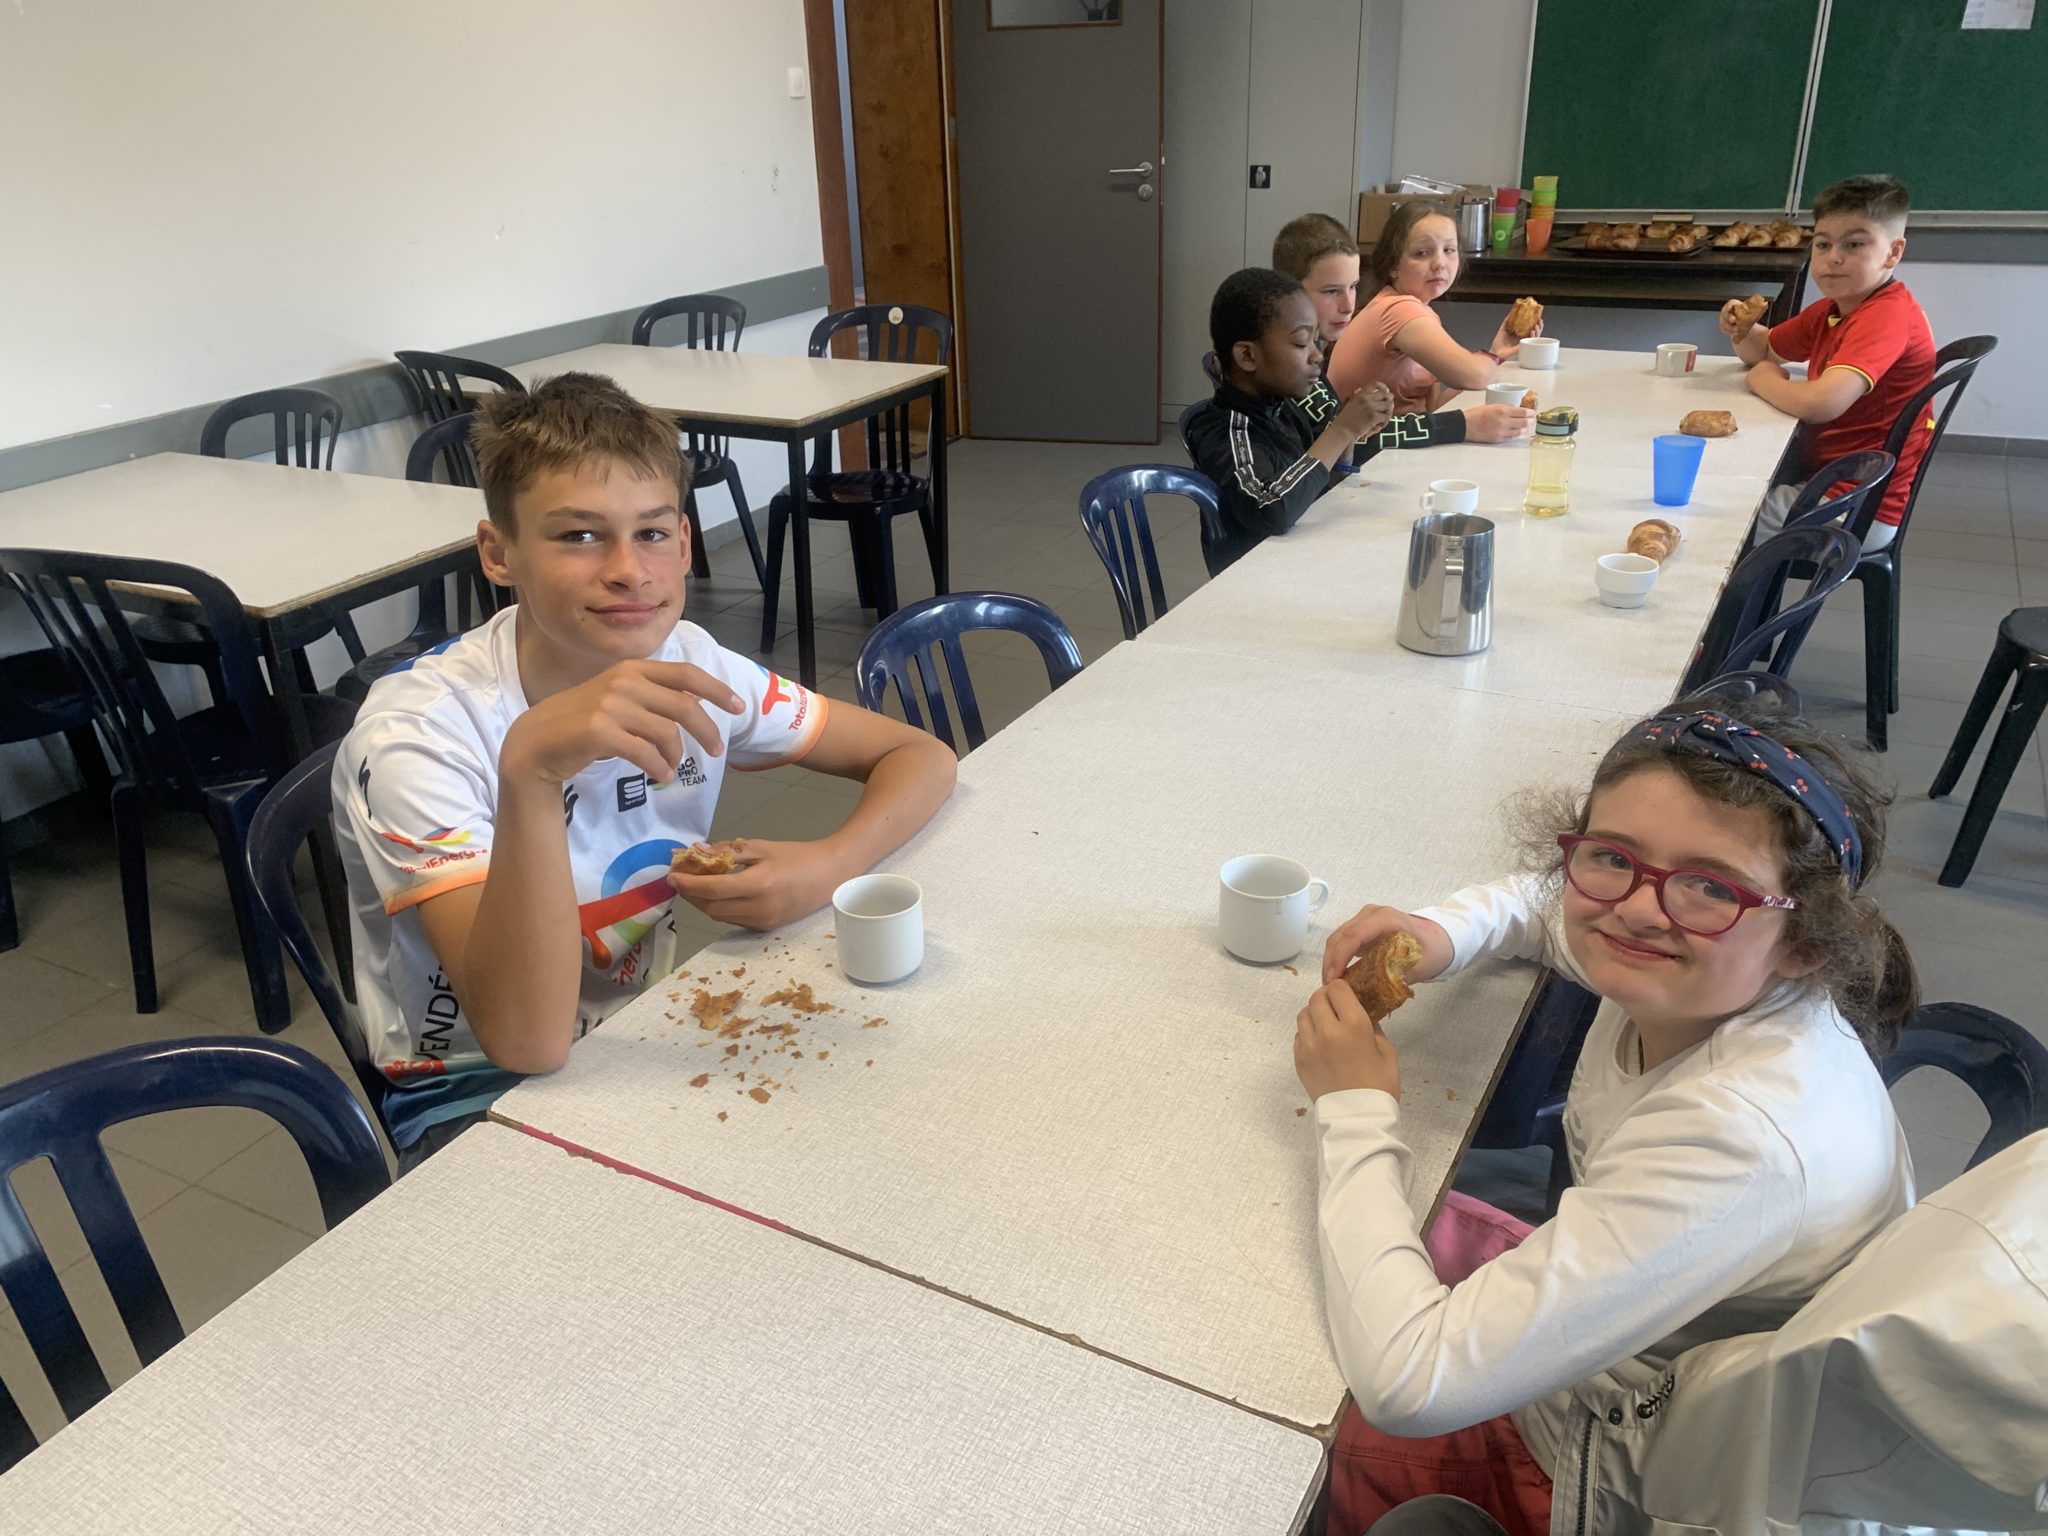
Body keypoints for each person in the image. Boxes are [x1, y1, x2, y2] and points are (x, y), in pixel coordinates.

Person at [1297, 700, 1916, 1535]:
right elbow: (1548, 908)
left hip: (1606, 1465)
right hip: (1629, 1340)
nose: (1639, 909)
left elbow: (1410, 1384)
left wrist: (1353, 1104)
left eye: (1711, 885)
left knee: (1302, 1410)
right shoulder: (1705, 971)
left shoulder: (1745, 1133)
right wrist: (1437, 932)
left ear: (1807, 942)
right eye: (1613, 856)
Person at [333, 372, 957, 1167]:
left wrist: (825, 866)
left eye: (653, 533)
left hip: (640, 1023)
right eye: (578, 536)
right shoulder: (419, 734)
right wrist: (530, 771)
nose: (629, 569)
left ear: (686, 543)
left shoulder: (692, 662)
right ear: (499, 553)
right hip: (470, 1085)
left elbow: (920, 756)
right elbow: (526, 1042)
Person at [1726, 174, 1935, 554]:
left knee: (1722, 524)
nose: (1833, 257)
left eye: (1854, 244)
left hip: (1855, 504)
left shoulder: (1885, 316)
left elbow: (1822, 403)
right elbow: (1765, 350)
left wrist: (1762, 379)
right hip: (1828, 477)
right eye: (1823, 244)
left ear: (1892, 252)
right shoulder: (1835, 308)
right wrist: (1743, 329)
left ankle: (1743, 594)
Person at [1183, 267, 1393, 575]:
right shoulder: (1226, 431)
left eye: (1316, 342)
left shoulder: (1284, 409)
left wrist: (1349, 437)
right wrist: (1341, 430)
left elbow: (1315, 487)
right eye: (1301, 343)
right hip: (1254, 582)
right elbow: (1271, 508)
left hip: (1301, 563)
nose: (1317, 356)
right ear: (1248, 356)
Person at [1273, 211, 1532, 453]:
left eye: (1353, 287)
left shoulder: (1311, 353)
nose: (1348, 306)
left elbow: (1424, 411)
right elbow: (1344, 437)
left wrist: (1495, 354)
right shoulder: (1288, 365)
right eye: (1331, 291)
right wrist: (1461, 425)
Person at [1327, 200, 1539, 437]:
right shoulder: (1400, 310)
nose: (1439, 263)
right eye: (1422, 253)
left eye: (1449, 250)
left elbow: (1433, 409)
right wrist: (1489, 360)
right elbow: (1476, 376)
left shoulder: (1416, 311)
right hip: (1369, 451)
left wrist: (1496, 354)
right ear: (1393, 265)